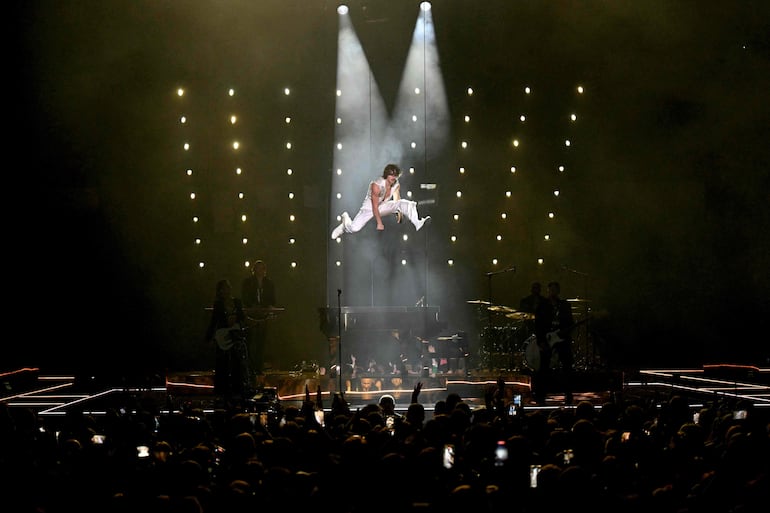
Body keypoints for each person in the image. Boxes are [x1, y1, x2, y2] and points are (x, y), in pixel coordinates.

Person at [330, 163, 431, 239]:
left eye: (396, 177)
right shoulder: (376, 185)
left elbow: (397, 200)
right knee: (354, 228)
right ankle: (345, 223)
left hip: (383, 205)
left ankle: (418, 222)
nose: (395, 179)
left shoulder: (396, 184)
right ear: (387, 175)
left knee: (405, 203)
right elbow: (374, 207)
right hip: (370, 208)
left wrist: (399, 215)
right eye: (392, 176)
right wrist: (379, 222)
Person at [204, 279, 252, 403]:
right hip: (223, 335)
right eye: (223, 289)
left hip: (235, 335)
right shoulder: (218, 304)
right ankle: (223, 389)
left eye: (227, 288)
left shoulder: (237, 302)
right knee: (222, 362)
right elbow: (214, 321)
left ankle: (238, 388)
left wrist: (240, 322)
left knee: (237, 361)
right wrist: (209, 338)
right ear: (220, 291)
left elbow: (242, 317)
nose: (226, 290)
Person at [532, 281, 575, 405]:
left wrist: (565, 334)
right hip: (547, 338)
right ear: (548, 291)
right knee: (544, 367)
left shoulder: (565, 305)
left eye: (555, 290)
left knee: (567, 366)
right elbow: (538, 325)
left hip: (561, 339)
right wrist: (541, 341)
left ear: (558, 291)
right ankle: (541, 395)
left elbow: (570, 323)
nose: (553, 292)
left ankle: (568, 394)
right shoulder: (542, 305)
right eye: (551, 290)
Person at [240, 259, 277, 376]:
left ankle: (259, 367)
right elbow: (244, 297)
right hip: (251, 315)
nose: (259, 271)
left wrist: (268, 307)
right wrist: (252, 306)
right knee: (250, 342)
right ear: (253, 270)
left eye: (262, 268)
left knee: (261, 342)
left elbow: (272, 299)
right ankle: (250, 368)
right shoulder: (248, 282)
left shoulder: (269, 283)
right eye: (257, 268)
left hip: (264, 316)